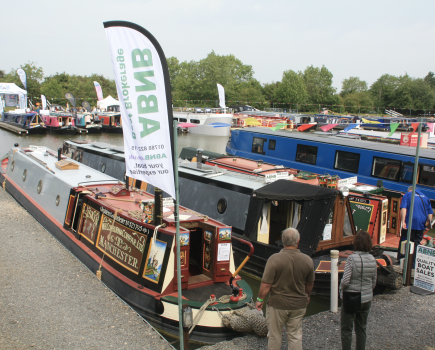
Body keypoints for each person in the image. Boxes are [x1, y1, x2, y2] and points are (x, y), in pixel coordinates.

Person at [255, 228, 314, 350]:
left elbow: (266, 284)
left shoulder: (274, 259)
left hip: (278, 305)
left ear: (282, 241)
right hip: (298, 305)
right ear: (298, 241)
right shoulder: (308, 260)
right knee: (295, 336)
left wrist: (259, 299)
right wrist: (307, 296)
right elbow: (309, 284)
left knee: (274, 335)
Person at [340, 230, 377, 350]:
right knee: (362, 329)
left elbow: (345, 281)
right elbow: (374, 281)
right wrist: (367, 291)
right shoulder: (372, 259)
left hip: (351, 297)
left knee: (347, 329)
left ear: (356, 243)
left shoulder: (352, 259)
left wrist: (341, 288)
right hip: (366, 299)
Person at [398, 186, 433, 268]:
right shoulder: (425, 197)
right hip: (421, 225)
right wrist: (428, 224)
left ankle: (402, 262)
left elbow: (403, 208)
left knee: (405, 242)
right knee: (416, 244)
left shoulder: (407, 195)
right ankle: (412, 264)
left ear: (410, 190)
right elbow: (430, 214)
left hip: (410, 223)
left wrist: (403, 221)